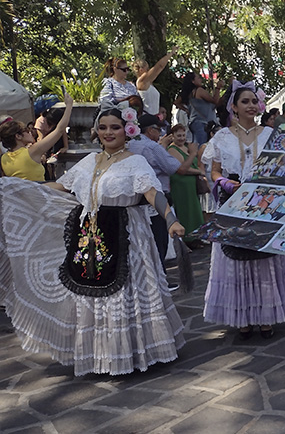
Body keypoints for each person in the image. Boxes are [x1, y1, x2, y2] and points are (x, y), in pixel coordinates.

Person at [0, 105, 187, 375]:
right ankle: (102, 353)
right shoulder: (89, 161)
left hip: (128, 235)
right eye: (103, 127)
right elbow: (62, 187)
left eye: (115, 127)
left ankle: (133, 350)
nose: (108, 132)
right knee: (93, 295)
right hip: (91, 235)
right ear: (96, 132)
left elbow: (151, 192)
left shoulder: (136, 162)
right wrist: (19, 189)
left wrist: (171, 220)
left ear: (128, 131)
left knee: (124, 293)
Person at [201, 80, 285, 340]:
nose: (250, 105)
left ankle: (266, 316)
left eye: (253, 101)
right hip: (232, 205)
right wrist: (222, 181)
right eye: (244, 101)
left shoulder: (271, 135)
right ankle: (242, 318)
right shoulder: (221, 137)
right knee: (235, 259)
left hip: (264, 206)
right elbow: (213, 171)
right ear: (233, 107)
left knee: (263, 260)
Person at [127, 113, 199, 269]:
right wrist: (192, 152)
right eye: (159, 130)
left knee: (143, 241)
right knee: (159, 240)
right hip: (155, 198)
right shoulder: (152, 147)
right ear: (151, 130)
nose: (161, 133)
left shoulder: (130, 145)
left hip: (134, 200)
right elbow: (174, 167)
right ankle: (160, 278)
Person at [1, 93, 73, 181]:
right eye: (26, 130)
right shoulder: (32, 151)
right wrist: (69, 106)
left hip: (20, 194)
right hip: (38, 192)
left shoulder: (4, 158)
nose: (31, 132)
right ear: (18, 136)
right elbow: (60, 130)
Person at [167, 124, 205, 244]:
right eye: (178, 135)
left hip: (191, 186)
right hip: (180, 185)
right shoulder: (172, 149)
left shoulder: (186, 147)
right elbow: (182, 169)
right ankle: (186, 239)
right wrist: (198, 169)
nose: (182, 138)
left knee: (194, 210)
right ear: (172, 136)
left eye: (183, 135)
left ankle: (196, 237)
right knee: (185, 211)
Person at [180, 72, 223, 145]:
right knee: (202, 146)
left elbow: (176, 102)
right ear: (193, 81)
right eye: (198, 78)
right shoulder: (199, 90)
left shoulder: (189, 93)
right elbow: (215, 101)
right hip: (202, 123)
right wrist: (218, 88)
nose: (201, 79)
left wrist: (187, 110)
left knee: (198, 144)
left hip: (195, 122)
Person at [133, 46, 178, 115]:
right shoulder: (141, 81)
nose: (149, 71)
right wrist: (171, 53)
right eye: (147, 69)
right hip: (147, 119)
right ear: (141, 70)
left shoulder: (148, 83)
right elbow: (159, 66)